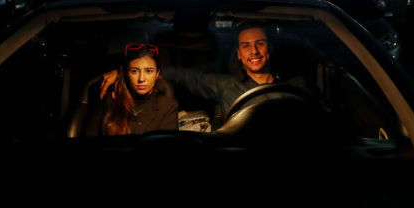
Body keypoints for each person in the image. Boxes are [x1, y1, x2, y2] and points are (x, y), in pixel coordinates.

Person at [100, 22, 308, 123]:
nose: (253, 51)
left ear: (269, 49)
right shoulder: (227, 86)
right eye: (246, 46)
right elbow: (183, 75)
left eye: (259, 44)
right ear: (238, 54)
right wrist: (125, 73)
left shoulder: (296, 87)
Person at [81, 43, 178, 136]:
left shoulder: (167, 106)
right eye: (134, 71)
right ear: (126, 73)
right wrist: (118, 74)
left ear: (157, 74)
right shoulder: (110, 100)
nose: (141, 79)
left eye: (149, 71)